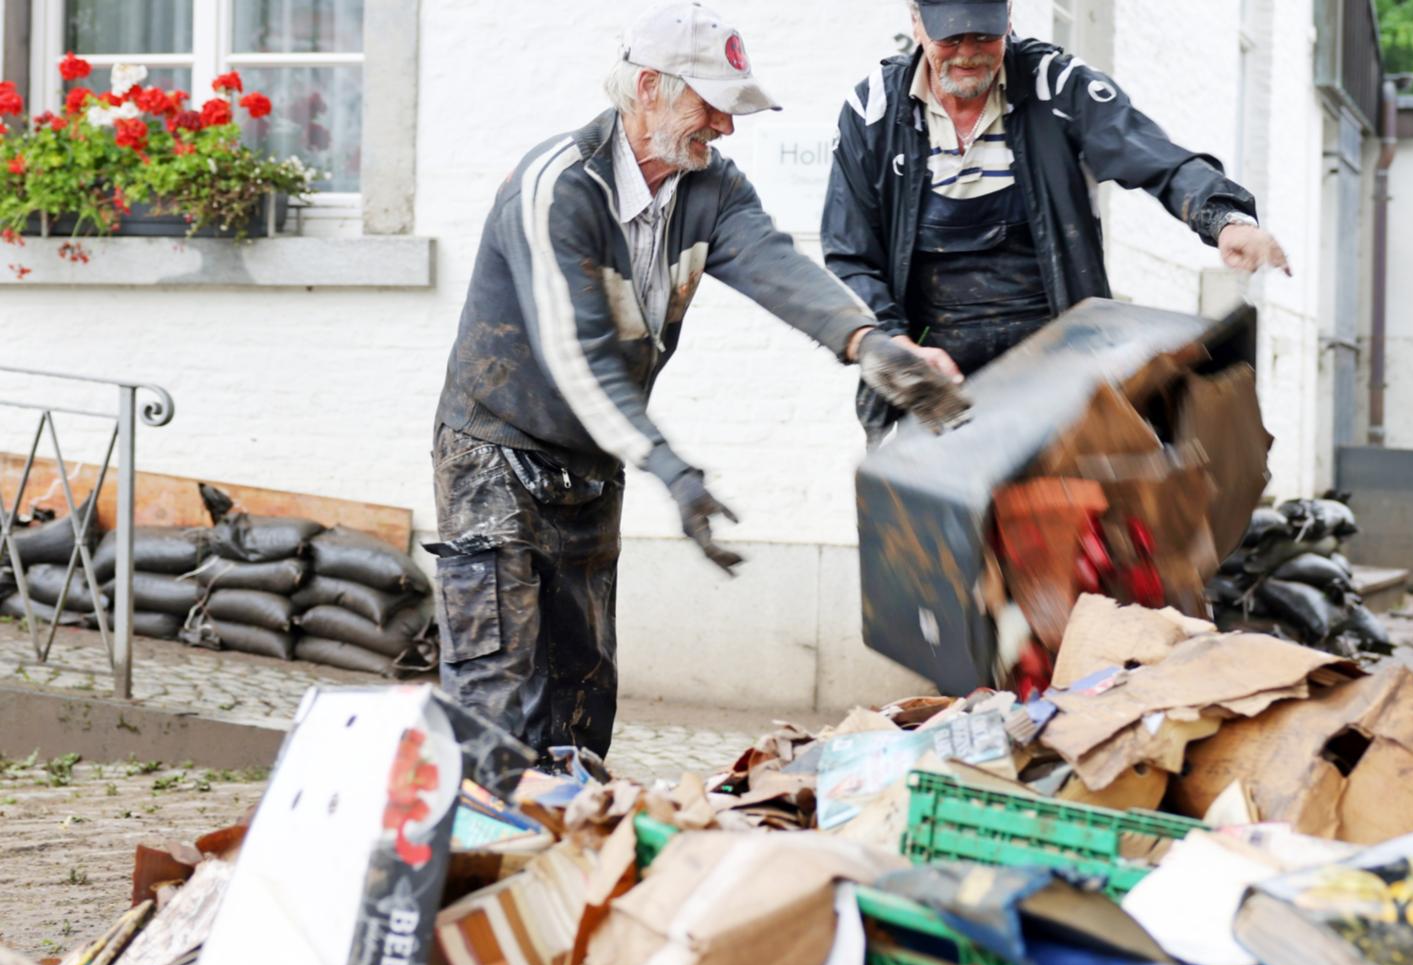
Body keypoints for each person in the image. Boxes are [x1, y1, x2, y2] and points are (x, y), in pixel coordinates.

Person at [428, 2, 966, 760]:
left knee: (580, 688)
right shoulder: (558, 188)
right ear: (648, 87)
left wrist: (873, 347)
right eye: (711, 104)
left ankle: (570, 852)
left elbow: (777, 269)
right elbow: (576, 359)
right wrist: (671, 468)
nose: (726, 126)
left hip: (591, 457)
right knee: (498, 687)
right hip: (495, 448)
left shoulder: (710, 187)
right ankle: (481, 855)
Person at [824, 0, 1290, 444]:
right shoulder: (874, 113)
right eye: (951, 35)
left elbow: (1154, 157)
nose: (968, 51)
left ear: (1008, 18)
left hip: (1055, 356)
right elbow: (851, 252)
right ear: (917, 23)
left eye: (984, 33)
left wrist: (1225, 218)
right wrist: (894, 342)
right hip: (932, 361)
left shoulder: (1060, 87)